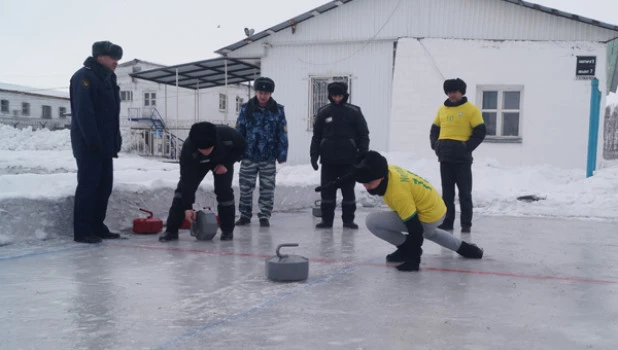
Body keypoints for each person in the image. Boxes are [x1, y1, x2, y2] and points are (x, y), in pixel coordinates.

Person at [316, 151, 483, 272]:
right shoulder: (386, 170)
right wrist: (332, 185)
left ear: (380, 177)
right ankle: (467, 249)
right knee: (431, 233)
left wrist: (413, 260)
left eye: (369, 183)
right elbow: (357, 174)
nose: (366, 187)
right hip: (436, 209)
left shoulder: (397, 192)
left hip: (427, 215)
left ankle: (406, 249)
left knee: (373, 221)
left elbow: (415, 229)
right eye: (364, 183)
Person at [69, 40, 123, 244]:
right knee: (89, 186)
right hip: (88, 144)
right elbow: (84, 113)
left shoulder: (109, 78)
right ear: (100, 57)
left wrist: (115, 139)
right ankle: (82, 230)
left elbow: (112, 114)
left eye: (118, 58)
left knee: (104, 187)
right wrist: (93, 141)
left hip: (105, 144)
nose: (116, 62)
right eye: (113, 58)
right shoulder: (84, 77)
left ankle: (97, 226)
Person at [159, 122, 246, 242]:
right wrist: (187, 207)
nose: (206, 152)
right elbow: (187, 181)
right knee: (182, 190)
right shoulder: (188, 150)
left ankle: (227, 231)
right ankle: (171, 230)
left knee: (224, 190)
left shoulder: (228, 135)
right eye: (202, 149)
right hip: (197, 164)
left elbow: (242, 146)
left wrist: (226, 164)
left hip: (222, 161)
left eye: (208, 149)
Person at [310, 82, 369, 229]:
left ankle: (348, 221)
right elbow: (316, 136)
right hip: (328, 161)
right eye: (334, 95)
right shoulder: (323, 112)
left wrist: (362, 155)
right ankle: (326, 220)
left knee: (348, 193)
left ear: (345, 95)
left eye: (340, 95)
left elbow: (364, 135)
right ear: (330, 95)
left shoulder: (354, 112)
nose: (337, 98)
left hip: (349, 161)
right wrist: (314, 155)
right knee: (327, 192)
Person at [430, 78, 486, 233]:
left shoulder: (471, 110)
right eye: (449, 92)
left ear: (461, 92)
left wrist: (467, 147)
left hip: (462, 160)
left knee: (465, 193)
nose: (451, 95)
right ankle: (447, 222)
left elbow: (480, 131)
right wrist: (436, 145)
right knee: (447, 193)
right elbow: (434, 130)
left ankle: (466, 224)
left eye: (454, 91)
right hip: (445, 157)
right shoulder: (442, 110)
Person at [234, 77, 288, 227]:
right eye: (260, 92)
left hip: (268, 156)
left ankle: (264, 215)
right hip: (249, 155)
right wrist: (237, 153)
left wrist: (281, 153)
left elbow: (282, 133)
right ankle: (244, 215)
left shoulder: (278, 110)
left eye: (266, 93)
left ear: (271, 94)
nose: (263, 96)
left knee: (267, 188)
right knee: (245, 187)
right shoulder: (246, 109)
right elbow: (239, 132)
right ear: (256, 92)